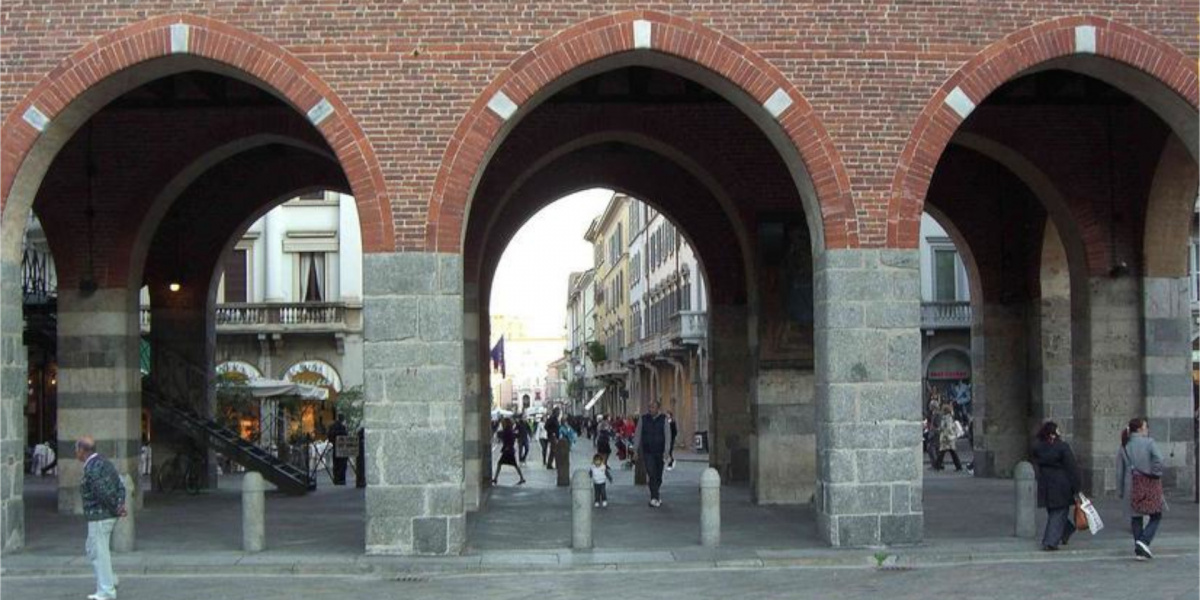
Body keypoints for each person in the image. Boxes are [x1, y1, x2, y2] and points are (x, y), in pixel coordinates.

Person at [76, 436, 126, 600]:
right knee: (92, 549)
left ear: (82, 450)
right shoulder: (105, 462)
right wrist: (120, 503)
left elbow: (102, 492)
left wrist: (116, 507)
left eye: (77, 449)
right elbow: (120, 484)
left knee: (99, 553)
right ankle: (110, 579)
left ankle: (106, 590)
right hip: (103, 515)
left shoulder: (91, 468)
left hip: (99, 516)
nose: (76, 453)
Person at [1117, 417, 1164, 560]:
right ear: (1140, 429)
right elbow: (1159, 459)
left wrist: (1120, 490)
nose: (1147, 429)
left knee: (1136, 517)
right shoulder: (1149, 443)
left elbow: (1119, 471)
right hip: (1148, 483)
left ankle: (1139, 549)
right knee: (1156, 514)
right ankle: (1143, 541)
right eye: (1145, 427)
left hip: (1130, 485)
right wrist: (1155, 472)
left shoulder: (1124, 446)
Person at [1031, 421, 1080, 551]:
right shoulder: (1062, 447)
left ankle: (1066, 530)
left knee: (1054, 511)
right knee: (1058, 512)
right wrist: (1077, 488)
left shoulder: (1038, 448)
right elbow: (1072, 468)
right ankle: (1050, 541)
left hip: (1045, 483)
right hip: (1061, 483)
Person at [634, 400, 672, 507]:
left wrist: (667, 451)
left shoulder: (663, 419)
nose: (651, 409)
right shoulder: (643, 419)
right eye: (650, 407)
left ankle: (655, 494)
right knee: (651, 473)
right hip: (648, 451)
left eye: (653, 407)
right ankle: (654, 497)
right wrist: (635, 450)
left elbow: (667, 435)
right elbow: (638, 434)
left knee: (658, 475)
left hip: (660, 451)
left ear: (658, 408)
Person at [492, 418, 526, 485]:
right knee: (513, 464)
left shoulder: (507, 431)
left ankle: (496, 478)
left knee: (501, 463)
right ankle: (521, 478)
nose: (502, 423)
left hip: (508, 450)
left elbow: (509, 440)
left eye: (503, 422)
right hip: (509, 450)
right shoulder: (509, 430)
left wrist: (507, 447)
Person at [934, 405, 962, 472]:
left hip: (946, 438)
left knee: (942, 452)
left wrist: (944, 433)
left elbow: (947, 428)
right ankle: (958, 466)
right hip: (949, 438)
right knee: (951, 452)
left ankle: (937, 466)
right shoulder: (949, 417)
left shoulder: (947, 418)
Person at [327, 414, 349, 485]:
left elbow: (329, 436)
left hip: (335, 446)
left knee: (336, 463)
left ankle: (336, 478)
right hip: (342, 447)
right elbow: (345, 436)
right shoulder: (342, 427)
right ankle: (341, 479)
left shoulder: (332, 426)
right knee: (342, 463)